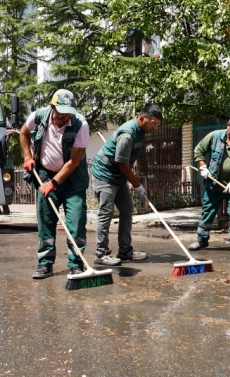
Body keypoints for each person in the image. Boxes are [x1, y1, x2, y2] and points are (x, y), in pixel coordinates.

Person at [19, 89, 90, 279]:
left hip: (72, 181)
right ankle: (45, 264)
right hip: (44, 175)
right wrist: (27, 157)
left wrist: (54, 183)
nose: (64, 118)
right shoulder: (38, 116)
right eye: (60, 115)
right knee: (46, 223)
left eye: (68, 114)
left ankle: (77, 265)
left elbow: (74, 162)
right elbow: (23, 133)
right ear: (52, 108)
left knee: (76, 223)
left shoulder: (80, 124)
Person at [91, 104, 163, 266]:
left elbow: (126, 162)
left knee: (127, 209)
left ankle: (124, 251)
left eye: (157, 125)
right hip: (105, 174)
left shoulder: (141, 131)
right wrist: (137, 184)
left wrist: (132, 180)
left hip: (118, 175)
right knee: (106, 212)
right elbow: (123, 163)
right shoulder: (128, 135)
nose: (155, 127)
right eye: (153, 123)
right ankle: (101, 254)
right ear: (141, 119)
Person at [187, 113, 230, 257]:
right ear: (228, 125)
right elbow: (199, 151)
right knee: (207, 212)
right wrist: (203, 167)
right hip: (213, 185)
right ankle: (202, 240)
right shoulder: (214, 136)